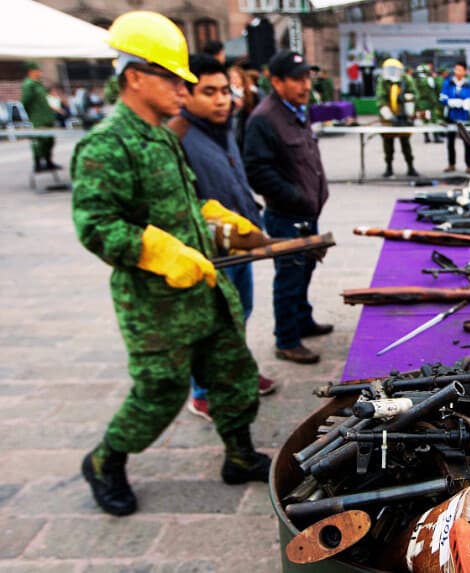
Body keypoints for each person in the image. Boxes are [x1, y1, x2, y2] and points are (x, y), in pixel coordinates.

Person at [72, 11, 271, 517]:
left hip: (201, 283)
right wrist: (159, 251)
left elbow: (182, 206)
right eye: (171, 77)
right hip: (155, 303)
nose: (182, 89)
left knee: (231, 372)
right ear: (134, 76)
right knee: (160, 393)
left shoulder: (161, 134)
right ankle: (105, 461)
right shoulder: (106, 143)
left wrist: (219, 221)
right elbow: (96, 225)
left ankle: (239, 455)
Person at [166, 54, 278, 421]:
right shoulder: (177, 135)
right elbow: (180, 202)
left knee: (239, 313)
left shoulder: (225, 127)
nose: (220, 100)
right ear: (186, 94)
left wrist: (249, 220)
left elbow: (234, 180)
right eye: (208, 92)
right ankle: (202, 392)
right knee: (210, 323)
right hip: (206, 252)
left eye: (225, 91)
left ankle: (236, 371)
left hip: (238, 244)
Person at [243, 50, 333, 365]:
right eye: (297, 79)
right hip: (286, 216)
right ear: (276, 81)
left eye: (307, 77)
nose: (305, 84)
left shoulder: (296, 110)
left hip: (307, 212)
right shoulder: (264, 118)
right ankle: (286, 339)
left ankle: (302, 320)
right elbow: (256, 171)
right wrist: (294, 195)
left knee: (305, 270)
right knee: (290, 276)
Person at [375, 58, 420, 178]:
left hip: (404, 116)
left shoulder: (406, 80)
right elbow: (381, 99)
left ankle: (410, 167)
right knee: (388, 144)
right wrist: (388, 115)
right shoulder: (383, 81)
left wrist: (408, 105)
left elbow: (414, 95)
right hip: (388, 119)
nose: (392, 72)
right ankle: (388, 167)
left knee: (406, 143)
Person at [20, 61, 59, 172]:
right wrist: (32, 115)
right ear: (31, 71)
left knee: (49, 140)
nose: (40, 72)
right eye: (38, 70)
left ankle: (48, 162)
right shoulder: (28, 85)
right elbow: (25, 102)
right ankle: (37, 164)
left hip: (47, 116)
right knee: (39, 141)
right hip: (37, 118)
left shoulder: (38, 84)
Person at [440, 61, 470, 175]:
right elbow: (442, 97)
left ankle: (469, 165)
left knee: (467, 142)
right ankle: (451, 164)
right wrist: (450, 102)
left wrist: (465, 103)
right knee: (450, 142)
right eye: (456, 69)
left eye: (460, 70)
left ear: (465, 71)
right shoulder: (448, 82)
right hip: (451, 116)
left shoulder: (468, 83)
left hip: (464, 117)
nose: (457, 72)